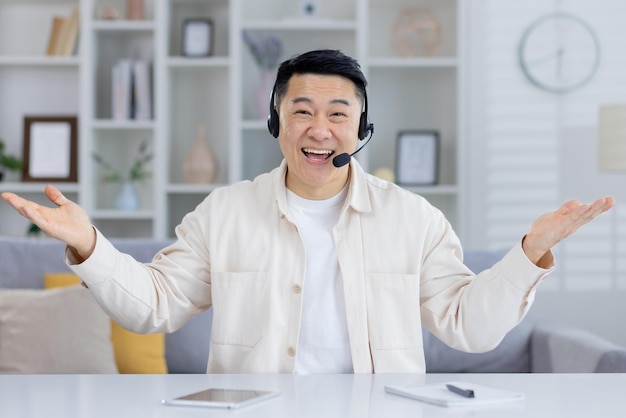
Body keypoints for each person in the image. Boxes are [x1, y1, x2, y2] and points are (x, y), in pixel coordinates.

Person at [1, 49, 614, 374]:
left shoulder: (414, 218)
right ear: (276, 124)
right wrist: (90, 246)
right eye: (301, 110)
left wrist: (530, 254)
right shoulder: (226, 211)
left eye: (338, 113)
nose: (319, 129)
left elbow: (469, 327)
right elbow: (154, 306)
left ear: (362, 128)